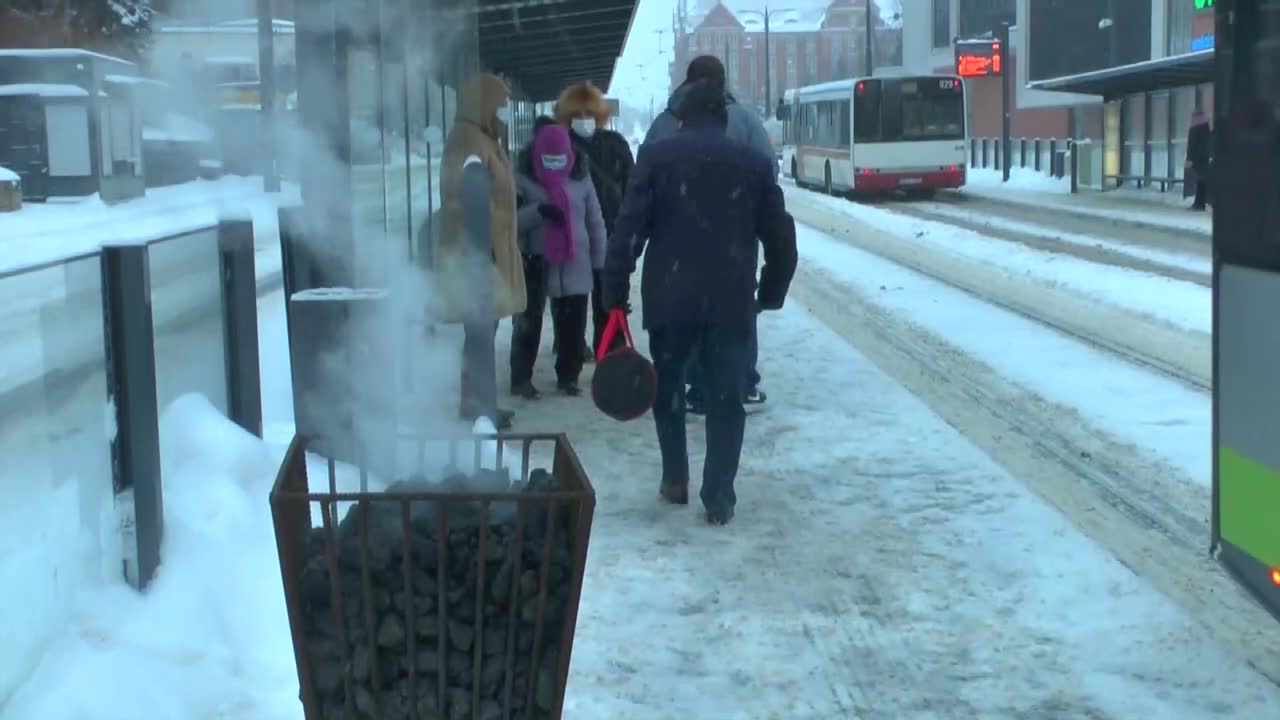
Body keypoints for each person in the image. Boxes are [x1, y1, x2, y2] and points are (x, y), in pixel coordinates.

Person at [603, 80, 797, 526]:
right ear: (724, 119)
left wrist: (615, 289)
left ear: (682, 118)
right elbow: (782, 239)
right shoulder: (752, 163)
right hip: (730, 301)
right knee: (726, 399)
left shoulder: (657, 158)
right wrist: (769, 293)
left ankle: (675, 479)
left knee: (668, 389)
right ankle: (719, 496)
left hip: (670, 299)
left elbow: (627, 230)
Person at [642, 55, 777, 413]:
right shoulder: (745, 121)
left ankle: (694, 385)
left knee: (683, 314)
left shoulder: (666, 123)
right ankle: (740, 381)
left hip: (677, 244)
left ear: (687, 82)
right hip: (734, 240)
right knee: (736, 310)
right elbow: (769, 173)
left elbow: (642, 185)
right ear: (724, 82)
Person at [435, 72, 525, 430]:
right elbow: (469, 201)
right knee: (479, 333)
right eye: (500, 104)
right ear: (483, 104)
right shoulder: (469, 142)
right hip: (477, 254)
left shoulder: (483, 140)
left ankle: (480, 402)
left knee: (483, 332)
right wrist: (481, 255)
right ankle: (479, 406)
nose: (504, 111)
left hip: (486, 252)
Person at [510, 121, 607, 398]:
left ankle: (569, 375)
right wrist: (538, 211)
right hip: (536, 261)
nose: (555, 165)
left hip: (576, 261)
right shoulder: (523, 178)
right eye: (548, 160)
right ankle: (521, 377)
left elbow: (595, 221)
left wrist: (600, 262)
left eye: (559, 159)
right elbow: (510, 223)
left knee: (573, 323)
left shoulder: (581, 177)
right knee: (528, 321)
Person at [556, 81, 636, 360]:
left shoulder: (616, 144)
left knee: (609, 299)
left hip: (610, 233)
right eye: (577, 115)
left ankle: (609, 351)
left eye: (589, 114)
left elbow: (632, 186)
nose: (584, 120)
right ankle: (571, 351)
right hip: (572, 235)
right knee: (571, 302)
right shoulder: (560, 145)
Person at [1185, 111, 1212, 211]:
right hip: (1201, 159)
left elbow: (1193, 145)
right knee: (1201, 181)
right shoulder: (1204, 128)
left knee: (1201, 181)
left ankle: (1199, 204)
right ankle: (1200, 203)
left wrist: (1190, 159)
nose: (1191, 119)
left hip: (1199, 159)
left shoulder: (1197, 129)